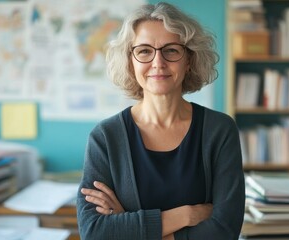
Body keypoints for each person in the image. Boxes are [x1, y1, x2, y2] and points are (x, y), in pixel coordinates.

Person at [76, 2, 245, 239]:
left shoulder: (220, 130)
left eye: (172, 50)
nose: (158, 62)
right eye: (144, 51)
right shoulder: (105, 137)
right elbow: (94, 232)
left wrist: (130, 225)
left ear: (189, 60)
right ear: (130, 61)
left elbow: (225, 230)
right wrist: (184, 215)